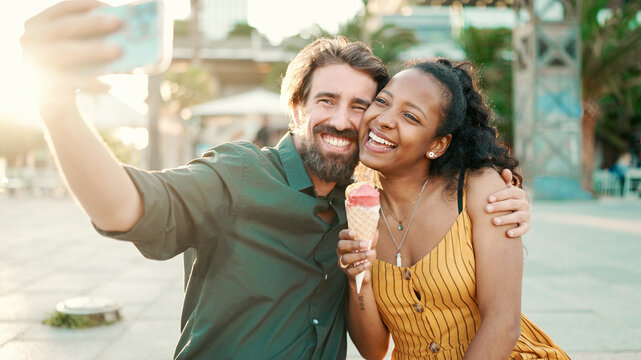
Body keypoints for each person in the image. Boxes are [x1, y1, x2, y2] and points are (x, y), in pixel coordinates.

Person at [20, 1, 532, 358]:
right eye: (326, 100)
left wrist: (498, 182)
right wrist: (56, 105)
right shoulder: (238, 173)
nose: (342, 120)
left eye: (360, 105)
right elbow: (125, 208)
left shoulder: (364, 202)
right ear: (295, 110)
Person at [337, 59, 569, 359]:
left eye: (410, 116)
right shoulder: (359, 209)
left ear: (437, 144)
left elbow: (503, 323)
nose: (384, 119)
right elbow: (374, 350)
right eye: (382, 101)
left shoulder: (478, 190)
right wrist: (360, 280)